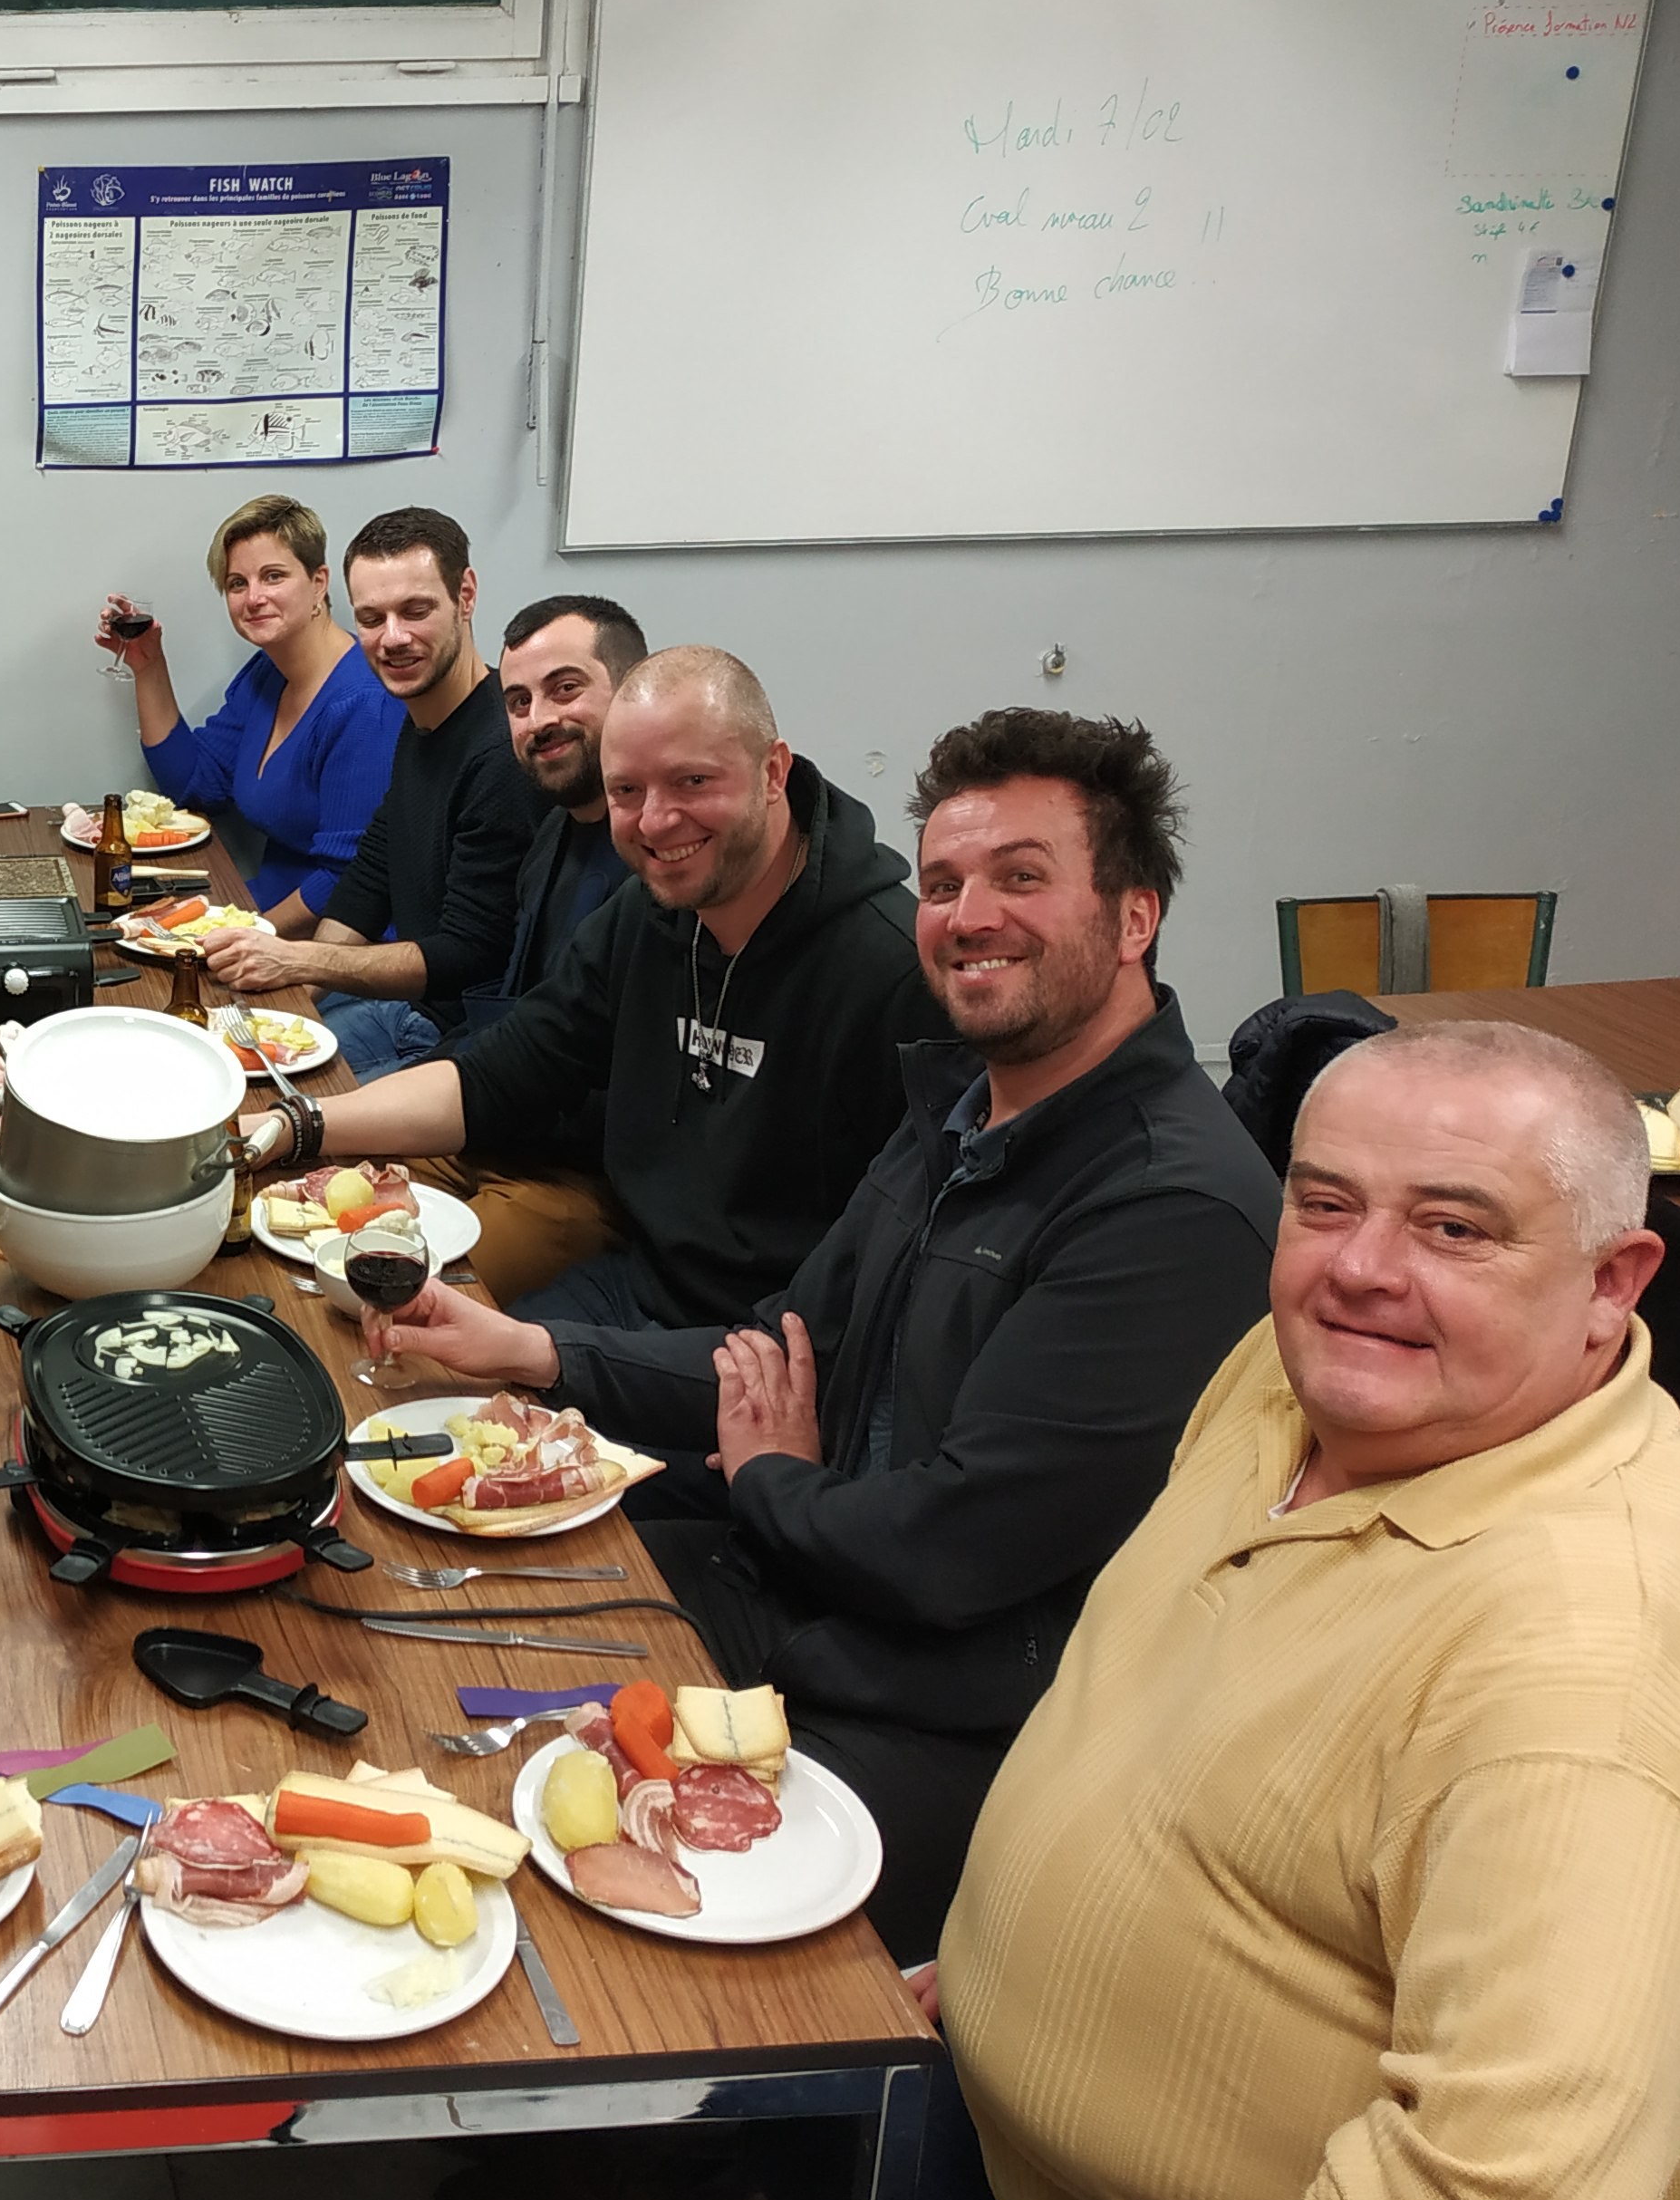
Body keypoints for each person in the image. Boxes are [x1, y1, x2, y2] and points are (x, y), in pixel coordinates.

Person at [374, 710, 1279, 1975]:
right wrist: (531, 1354)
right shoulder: (960, 1114)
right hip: (806, 1587)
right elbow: (770, 1353)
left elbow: (953, 1552)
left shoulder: (1167, 1207)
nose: (968, 916)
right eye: (949, 881)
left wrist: (772, 1481)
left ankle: (705, 2152)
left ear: (1136, 917)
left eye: (1023, 878)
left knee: (589, 1908)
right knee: (444, 1629)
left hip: (951, 1713)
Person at [932, 1019, 1680, 2200]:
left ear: (1616, 1280)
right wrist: (1009, 1958)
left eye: (1456, 1228)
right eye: (1324, 1203)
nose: (1362, 1269)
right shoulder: (1304, 1371)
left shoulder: (1593, 1677)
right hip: (1010, 2144)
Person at [247, 646, 941, 1336]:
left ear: (773, 772)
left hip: (767, 1346)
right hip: (635, 1285)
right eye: (626, 792)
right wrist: (291, 1123)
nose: (656, 821)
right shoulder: (649, 913)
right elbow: (504, 1071)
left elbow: (897, 1289)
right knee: (317, 1292)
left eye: (693, 781)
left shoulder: (895, 970)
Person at [198, 506, 543, 1080]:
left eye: (416, 611)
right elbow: (372, 874)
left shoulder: (500, 753)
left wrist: (302, 961)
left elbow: (465, 954)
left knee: (250, 1106)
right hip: (403, 1011)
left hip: (460, 1042)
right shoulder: (420, 719)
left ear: (466, 595)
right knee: (211, 1053)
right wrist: (300, 987)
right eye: (372, 618)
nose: (393, 638)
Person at [413, 593, 651, 1302]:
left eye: (565, 689)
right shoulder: (553, 832)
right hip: (498, 1128)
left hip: (582, 1183)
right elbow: (513, 1018)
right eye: (517, 701)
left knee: (411, 1292)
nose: (539, 719)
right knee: (320, 1204)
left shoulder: (660, 862)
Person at [96, 493, 404, 931]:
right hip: (257, 910)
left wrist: (233, 937)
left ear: (319, 582)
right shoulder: (267, 673)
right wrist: (148, 665)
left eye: (273, 576)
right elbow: (195, 784)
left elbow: (347, 879)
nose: (253, 597)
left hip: (334, 947)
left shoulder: (366, 703)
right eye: (238, 583)